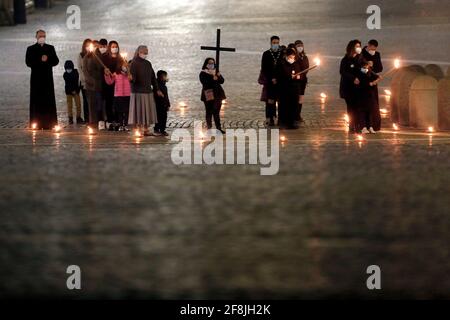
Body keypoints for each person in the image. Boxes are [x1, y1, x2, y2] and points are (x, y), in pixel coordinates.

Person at [25, 29, 59, 129]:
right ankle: (36, 123)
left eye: (43, 36)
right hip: (36, 79)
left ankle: (50, 123)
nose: (42, 38)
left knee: (48, 101)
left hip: (47, 79)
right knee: (36, 101)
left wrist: (47, 59)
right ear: (36, 37)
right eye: (40, 36)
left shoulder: (50, 48)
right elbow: (28, 62)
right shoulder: (30, 49)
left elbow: (56, 61)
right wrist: (40, 60)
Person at [128, 45, 163, 136]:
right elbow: (133, 79)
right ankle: (139, 128)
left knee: (147, 111)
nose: (145, 54)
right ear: (139, 52)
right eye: (144, 52)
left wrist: (157, 89)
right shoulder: (134, 63)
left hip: (147, 90)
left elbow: (153, 78)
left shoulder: (148, 63)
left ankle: (146, 128)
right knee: (139, 112)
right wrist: (131, 78)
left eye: (146, 53)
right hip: (138, 91)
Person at [276, 48, 303, 129]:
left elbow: (299, 74)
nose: (292, 58)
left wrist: (297, 77)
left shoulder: (296, 64)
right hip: (284, 89)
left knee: (293, 106)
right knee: (284, 106)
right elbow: (280, 75)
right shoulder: (281, 64)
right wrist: (289, 76)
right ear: (287, 56)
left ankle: (291, 123)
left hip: (294, 89)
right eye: (291, 56)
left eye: (293, 56)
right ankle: (282, 122)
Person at [339, 39, 363, 133]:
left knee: (358, 107)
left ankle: (358, 125)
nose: (358, 48)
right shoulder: (345, 60)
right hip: (348, 88)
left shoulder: (360, 59)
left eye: (359, 46)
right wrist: (353, 78)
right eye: (357, 46)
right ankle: (352, 125)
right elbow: (343, 72)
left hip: (358, 88)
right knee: (351, 107)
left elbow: (363, 70)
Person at [260, 35, 282, 126]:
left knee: (280, 100)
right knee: (270, 101)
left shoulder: (282, 53)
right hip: (269, 82)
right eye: (274, 43)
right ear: (270, 43)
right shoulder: (266, 54)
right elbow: (264, 68)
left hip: (280, 81)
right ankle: (270, 118)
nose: (275, 44)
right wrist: (271, 78)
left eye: (277, 43)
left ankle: (280, 118)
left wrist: (278, 78)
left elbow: (283, 67)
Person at [199, 57, 226, 134]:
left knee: (216, 112)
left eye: (213, 63)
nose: (211, 65)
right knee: (209, 112)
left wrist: (219, 76)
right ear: (206, 64)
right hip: (208, 94)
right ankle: (209, 128)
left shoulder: (216, 72)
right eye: (210, 63)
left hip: (218, 95)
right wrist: (212, 79)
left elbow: (222, 81)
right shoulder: (203, 73)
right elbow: (204, 83)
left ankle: (218, 128)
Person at [104, 57, 131, 131]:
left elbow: (131, 80)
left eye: (126, 66)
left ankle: (125, 125)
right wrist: (107, 75)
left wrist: (128, 71)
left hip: (127, 95)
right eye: (123, 65)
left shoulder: (129, 75)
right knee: (119, 111)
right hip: (118, 95)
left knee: (126, 111)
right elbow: (109, 82)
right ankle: (120, 125)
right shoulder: (116, 74)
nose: (124, 67)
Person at [83, 40, 105, 129]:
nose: (95, 48)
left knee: (100, 104)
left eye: (97, 46)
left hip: (100, 84)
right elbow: (86, 72)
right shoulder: (86, 58)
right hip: (91, 85)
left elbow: (101, 68)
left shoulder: (100, 57)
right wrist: (92, 82)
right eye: (94, 46)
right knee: (92, 104)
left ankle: (101, 121)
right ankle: (93, 121)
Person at [356, 60, 381, 133]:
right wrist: (369, 84)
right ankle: (363, 127)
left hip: (370, 93)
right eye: (366, 65)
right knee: (362, 110)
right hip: (362, 93)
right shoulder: (360, 71)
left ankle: (370, 126)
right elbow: (361, 82)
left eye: (368, 65)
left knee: (369, 111)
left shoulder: (369, 71)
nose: (367, 67)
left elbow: (377, 77)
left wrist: (375, 81)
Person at [294, 40, 309, 123]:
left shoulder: (305, 57)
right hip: (297, 81)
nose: (300, 47)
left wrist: (304, 73)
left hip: (303, 81)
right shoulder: (295, 57)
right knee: (296, 98)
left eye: (301, 45)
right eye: (298, 46)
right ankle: (294, 115)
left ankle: (298, 114)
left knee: (301, 98)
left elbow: (307, 67)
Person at [63, 60, 82, 125]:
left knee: (78, 104)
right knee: (69, 105)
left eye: (69, 68)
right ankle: (70, 118)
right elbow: (68, 83)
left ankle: (78, 117)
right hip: (68, 91)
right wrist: (72, 90)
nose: (68, 70)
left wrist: (75, 90)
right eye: (67, 68)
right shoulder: (65, 74)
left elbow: (75, 81)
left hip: (76, 91)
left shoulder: (76, 73)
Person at [77, 38, 91, 123]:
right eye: (86, 45)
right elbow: (80, 68)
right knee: (86, 101)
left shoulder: (93, 55)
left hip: (92, 82)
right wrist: (84, 79)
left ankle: (92, 118)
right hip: (84, 82)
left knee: (92, 101)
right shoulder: (81, 55)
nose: (88, 47)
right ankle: (87, 119)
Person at [154, 70, 171, 136]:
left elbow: (166, 96)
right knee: (160, 117)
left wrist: (168, 104)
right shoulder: (158, 86)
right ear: (162, 77)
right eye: (165, 76)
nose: (167, 77)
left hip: (163, 104)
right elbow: (162, 96)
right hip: (160, 104)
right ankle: (159, 129)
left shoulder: (163, 85)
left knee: (161, 117)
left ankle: (160, 129)